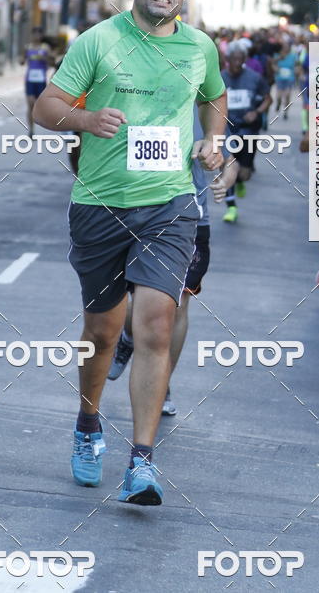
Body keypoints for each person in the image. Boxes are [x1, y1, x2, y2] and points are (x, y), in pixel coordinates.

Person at [33, 0, 226, 506]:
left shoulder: (198, 47)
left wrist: (213, 141)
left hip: (170, 204)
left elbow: (215, 97)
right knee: (102, 332)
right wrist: (87, 118)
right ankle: (89, 422)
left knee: (157, 325)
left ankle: (142, 460)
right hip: (99, 203)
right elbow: (46, 107)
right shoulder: (99, 41)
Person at [107, 109, 212, 418]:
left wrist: (224, 170)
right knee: (138, 302)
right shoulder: (130, 85)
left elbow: (224, 151)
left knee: (175, 303)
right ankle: (128, 338)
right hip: (131, 209)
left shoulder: (203, 94)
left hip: (188, 215)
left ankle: (161, 382)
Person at [218, 41, 271, 223]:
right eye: (234, 59)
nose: (237, 63)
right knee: (226, 166)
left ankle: (239, 180)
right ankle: (231, 207)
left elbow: (268, 99)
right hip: (226, 130)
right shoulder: (219, 78)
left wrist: (256, 112)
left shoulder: (255, 78)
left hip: (248, 131)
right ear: (227, 59)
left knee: (244, 173)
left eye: (241, 59)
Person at [20, 27, 50, 136]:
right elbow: (21, 61)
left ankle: (38, 121)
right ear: (32, 35)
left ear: (41, 36)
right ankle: (31, 130)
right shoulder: (28, 47)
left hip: (41, 79)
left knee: (38, 105)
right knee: (30, 103)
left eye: (39, 34)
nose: (37, 36)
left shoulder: (45, 48)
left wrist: (44, 59)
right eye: (35, 34)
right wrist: (23, 59)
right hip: (30, 79)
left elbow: (51, 62)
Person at [273, 41, 297, 118]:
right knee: (279, 95)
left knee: (287, 95)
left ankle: (286, 111)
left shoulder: (293, 56)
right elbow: (273, 63)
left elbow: (298, 65)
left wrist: (297, 71)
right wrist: (275, 68)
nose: (285, 49)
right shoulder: (277, 55)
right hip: (280, 77)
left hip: (290, 77)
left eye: (287, 47)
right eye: (284, 47)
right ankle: (278, 104)